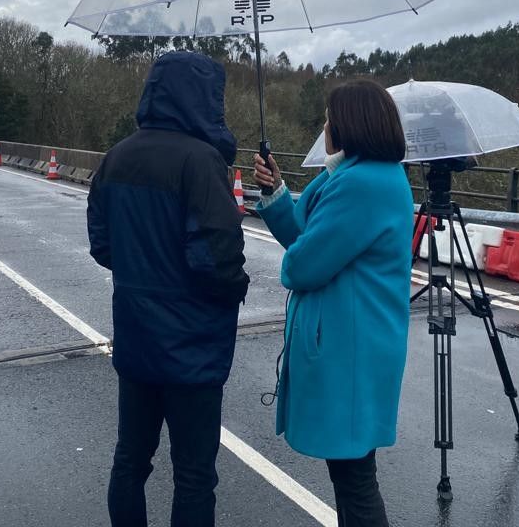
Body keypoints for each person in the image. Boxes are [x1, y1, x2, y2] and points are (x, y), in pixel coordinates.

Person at [87, 51, 249, 527]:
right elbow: (216, 259)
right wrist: (235, 288)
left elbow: (102, 246)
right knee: (195, 475)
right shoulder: (202, 162)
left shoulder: (117, 156)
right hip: (193, 349)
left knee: (131, 462)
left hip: (137, 338)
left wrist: (141, 272)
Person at [253, 79, 413, 527]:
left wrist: (296, 261)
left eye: (328, 117)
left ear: (348, 125)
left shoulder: (362, 184)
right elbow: (307, 237)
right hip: (358, 345)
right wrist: (277, 191)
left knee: (355, 479)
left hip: (351, 351)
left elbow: (302, 265)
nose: (324, 125)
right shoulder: (355, 176)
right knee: (352, 473)